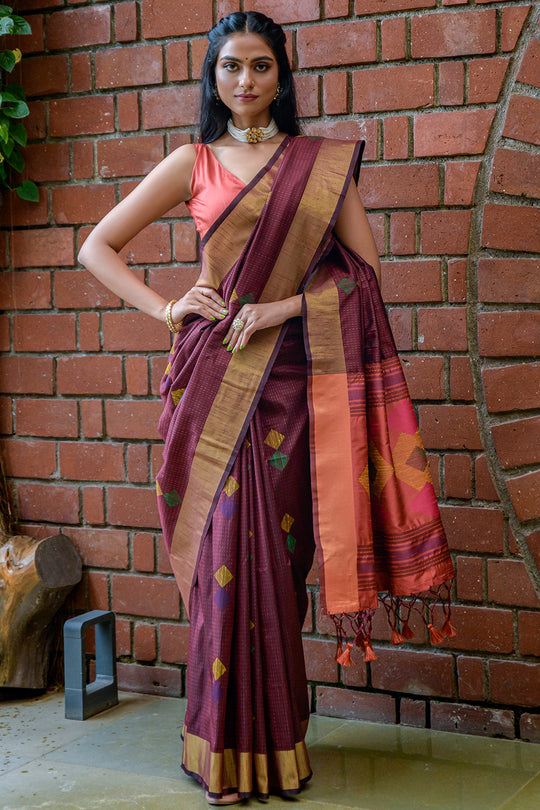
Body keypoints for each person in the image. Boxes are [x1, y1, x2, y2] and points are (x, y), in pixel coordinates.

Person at [79, 11, 454, 805]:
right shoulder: (194, 162)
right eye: (229, 68)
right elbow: (95, 246)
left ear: (283, 75)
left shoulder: (321, 167)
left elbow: (364, 277)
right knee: (221, 568)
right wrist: (167, 307)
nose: (244, 82)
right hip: (212, 379)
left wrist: (285, 308)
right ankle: (221, 752)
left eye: (259, 66)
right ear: (212, 79)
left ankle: (277, 746)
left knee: (276, 572)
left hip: (289, 387)